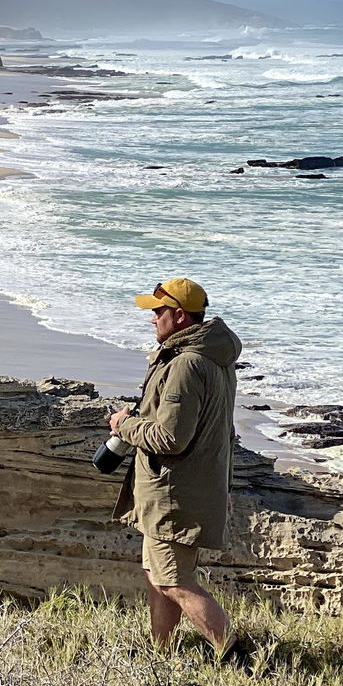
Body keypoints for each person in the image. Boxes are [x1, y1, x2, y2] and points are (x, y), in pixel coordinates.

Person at [107, 277, 239, 655]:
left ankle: (235, 654)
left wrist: (124, 425)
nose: (152, 318)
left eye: (158, 311)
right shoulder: (212, 358)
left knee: (174, 582)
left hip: (174, 491)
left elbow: (170, 438)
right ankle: (160, 654)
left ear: (180, 317)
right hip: (183, 485)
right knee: (158, 576)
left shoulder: (185, 364)